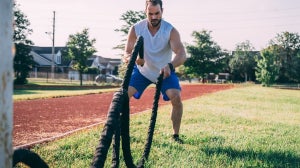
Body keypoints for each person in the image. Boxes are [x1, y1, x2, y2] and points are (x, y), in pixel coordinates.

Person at [123, 0, 187, 143]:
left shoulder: (170, 30)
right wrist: (132, 59)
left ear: (162, 12)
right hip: (142, 71)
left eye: (157, 13)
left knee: (176, 98)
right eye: (150, 13)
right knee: (123, 96)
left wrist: (170, 66)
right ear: (145, 12)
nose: (153, 17)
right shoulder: (136, 29)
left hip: (164, 72)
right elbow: (126, 53)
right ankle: (122, 131)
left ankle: (175, 135)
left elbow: (182, 54)